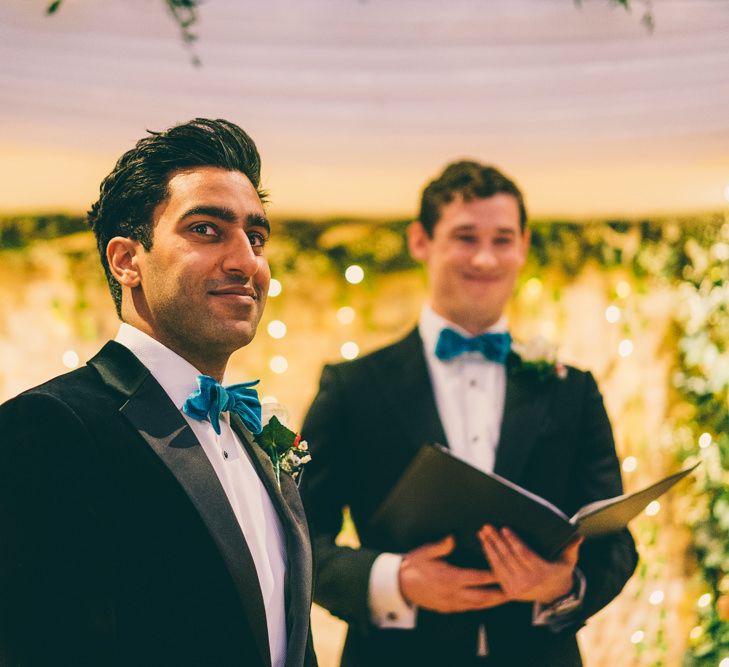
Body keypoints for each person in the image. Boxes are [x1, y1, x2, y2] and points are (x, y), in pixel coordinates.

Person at [0, 118, 316, 667]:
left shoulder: (260, 430)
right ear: (127, 261)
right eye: (206, 230)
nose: (247, 262)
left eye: (256, 237)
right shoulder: (48, 425)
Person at [301, 160, 638, 666]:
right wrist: (396, 581)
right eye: (464, 236)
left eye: (502, 239)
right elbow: (300, 535)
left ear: (523, 245)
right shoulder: (353, 387)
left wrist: (563, 583)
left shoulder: (575, 391)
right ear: (421, 241)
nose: (485, 258)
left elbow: (614, 541)